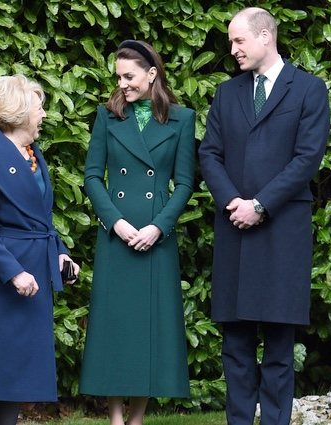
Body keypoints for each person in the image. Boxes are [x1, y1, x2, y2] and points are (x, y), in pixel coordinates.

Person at [198, 7, 330, 425]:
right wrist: (234, 201)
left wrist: (260, 205)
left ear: (265, 36)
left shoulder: (310, 90)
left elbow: (307, 158)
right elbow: (209, 153)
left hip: (281, 232)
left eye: (238, 41)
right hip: (234, 227)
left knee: (277, 346)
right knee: (235, 346)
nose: (232, 49)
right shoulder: (227, 92)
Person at [79, 40, 195, 425]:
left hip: (155, 235)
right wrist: (117, 222)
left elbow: (184, 184)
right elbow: (93, 177)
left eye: (129, 77)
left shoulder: (182, 118)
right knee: (115, 324)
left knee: (149, 326)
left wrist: (158, 227)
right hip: (117, 235)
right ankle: (115, 417)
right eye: (118, 77)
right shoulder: (106, 116)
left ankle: (137, 417)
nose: (122, 84)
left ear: (151, 74)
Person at [0, 74, 80, 425]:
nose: (44, 115)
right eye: (39, 107)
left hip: (32, 274)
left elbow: (40, 217)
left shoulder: (31, 153)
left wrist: (59, 252)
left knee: (14, 379)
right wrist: (13, 272)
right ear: (19, 111)